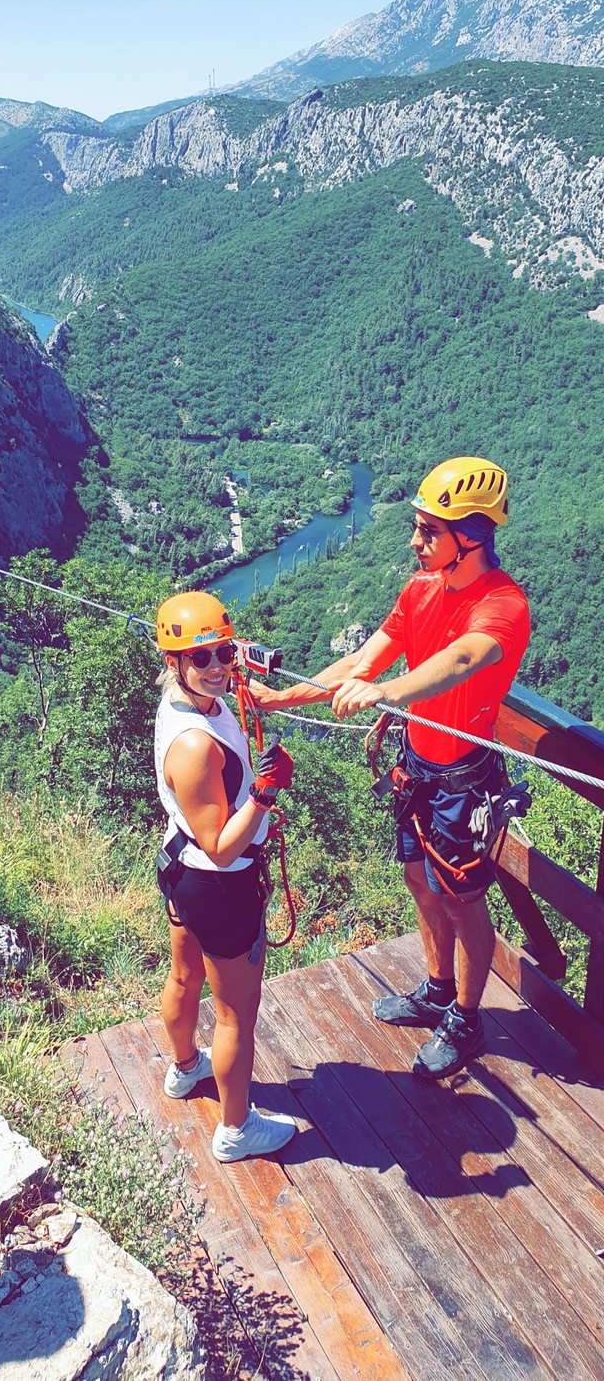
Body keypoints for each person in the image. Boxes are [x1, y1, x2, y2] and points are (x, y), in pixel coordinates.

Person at [252, 458, 530, 1080]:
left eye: (429, 530)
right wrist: (279, 699)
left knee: (462, 900)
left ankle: (467, 1017)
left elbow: (466, 656)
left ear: (473, 534)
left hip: (461, 781)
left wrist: (391, 693)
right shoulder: (420, 589)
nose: (415, 540)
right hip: (418, 768)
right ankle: (437, 989)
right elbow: (362, 661)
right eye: (417, 526)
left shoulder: (504, 605)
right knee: (417, 879)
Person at [154, 591, 297, 1159]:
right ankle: (237, 1130)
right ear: (175, 664)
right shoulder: (193, 746)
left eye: (224, 652)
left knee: (186, 976)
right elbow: (218, 847)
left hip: (182, 874)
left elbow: (204, 838)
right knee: (237, 1012)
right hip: (219, 880)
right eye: (202, 658)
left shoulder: (194, 706)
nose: (217, 667)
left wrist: (249, 679)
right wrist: (263, 795)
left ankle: (185, 1069)